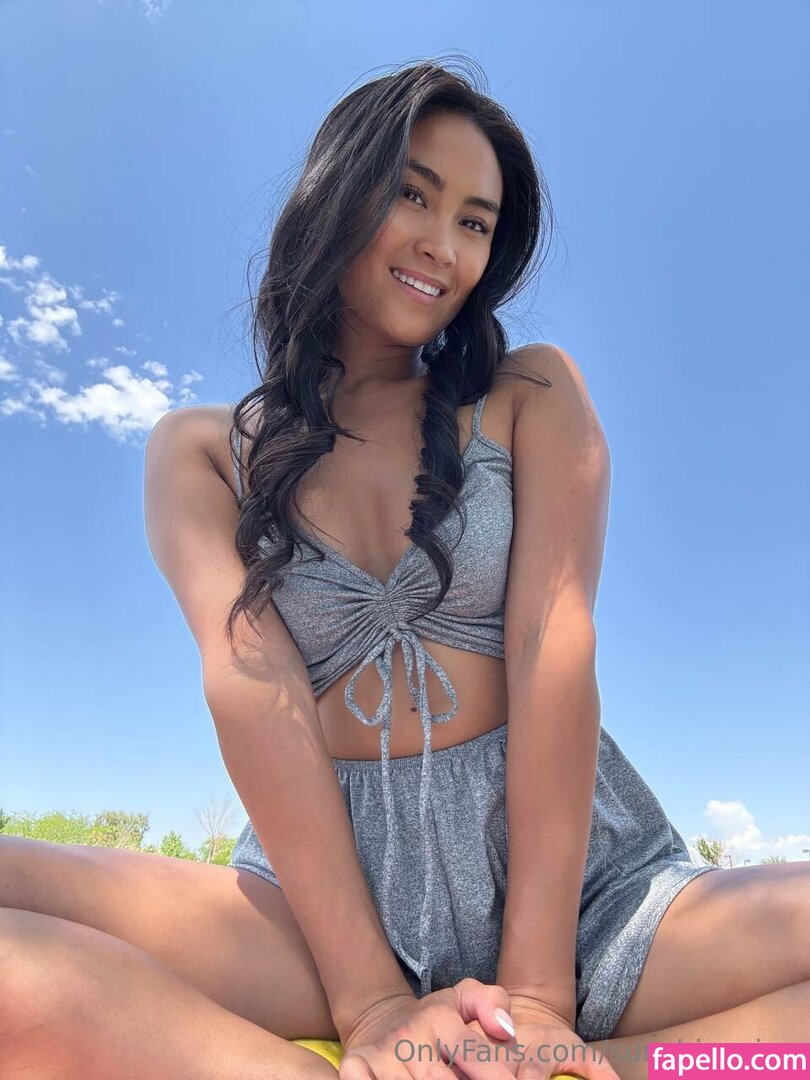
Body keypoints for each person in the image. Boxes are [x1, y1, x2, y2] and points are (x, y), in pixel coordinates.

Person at [1, 59, 807, 1080]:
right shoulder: (202, 452)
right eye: (413, 194)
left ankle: (629, 1068)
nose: (443, 245)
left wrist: (539, 997)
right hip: (322, 901)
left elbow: (552, 640)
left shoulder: (529, 393)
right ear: (337, 190)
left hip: (582, 896)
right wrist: (372, 1002)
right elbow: (250, 685)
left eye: (475, 222)